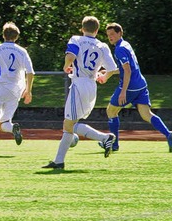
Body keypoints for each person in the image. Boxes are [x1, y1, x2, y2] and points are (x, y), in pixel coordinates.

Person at [42, 16, 118, 170]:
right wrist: (103, 76)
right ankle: (59, 161)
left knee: (69, 123)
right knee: (70, 123)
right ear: (97, 30)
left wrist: (66, 66)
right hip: (91, 86)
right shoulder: (102, 45)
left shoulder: (77, 39)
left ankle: (104, 138)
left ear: (83, 29)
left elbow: (70, 56)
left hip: (79, 83)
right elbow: (113, 69)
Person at [96, 23, 172, 152]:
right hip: (141, 84)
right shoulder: (126, 44)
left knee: (111, 111)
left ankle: (114, 144)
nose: (110, 37)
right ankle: (168, 134)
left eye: (112, 34)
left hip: (130, 87)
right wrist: (108, 73)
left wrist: (123, 92)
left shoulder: (119, 49)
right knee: (146, 114)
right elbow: (126, 68)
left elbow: (127, 71)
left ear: (120, 33)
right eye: (108, 35)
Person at [0, 22, 35, 157]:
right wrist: (28, 90)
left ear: (3, 35)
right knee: (2, 123)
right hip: (16, 90)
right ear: (17, 37)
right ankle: (12, 127)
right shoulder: (23, 51)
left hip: (0, 87)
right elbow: (30, 72)